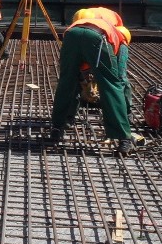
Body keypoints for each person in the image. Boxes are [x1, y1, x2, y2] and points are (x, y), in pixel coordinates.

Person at [49, 11, 135, 154]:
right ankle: (123, 138)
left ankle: (57, 128)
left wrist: (83, 81)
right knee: (111, 85)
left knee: (66, 82)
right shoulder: (121, 41)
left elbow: (80, 68)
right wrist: (127, 112)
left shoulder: (90, 21)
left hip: (70, 35)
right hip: (96, 38)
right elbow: (119, 79)